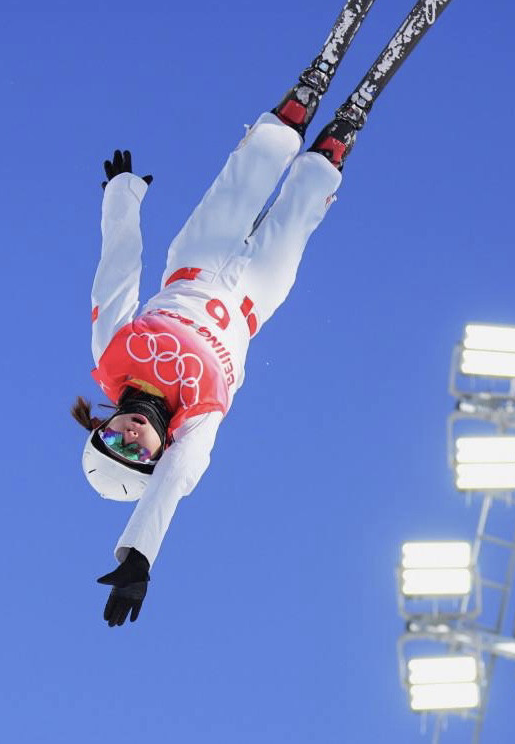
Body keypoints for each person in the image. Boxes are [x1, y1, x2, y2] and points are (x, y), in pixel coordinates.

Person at [72, 74, 361, 628]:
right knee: (297, 216)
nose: (129, 436)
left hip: (197, 260)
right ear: (156, 459)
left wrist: (121, 199)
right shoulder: (196, 426)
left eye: (112, 439)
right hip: (255, 293)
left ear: (101, 424)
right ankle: (329, 155)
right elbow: (171, 490)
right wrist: (137, 556)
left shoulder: (113, 357)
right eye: (134, 453)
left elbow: (115, 274)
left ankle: (288, 121)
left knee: (242, 182)